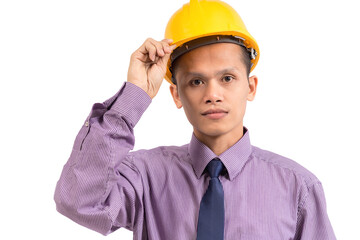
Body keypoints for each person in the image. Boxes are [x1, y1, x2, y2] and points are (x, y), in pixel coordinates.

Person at [54, 0, 336, 239]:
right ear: (176, 94)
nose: (213, 94)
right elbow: (79, 201)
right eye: (196, 81)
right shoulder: (144, 176)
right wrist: (135, 96)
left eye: (227, 78)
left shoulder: (299, 188)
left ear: (250, 87)